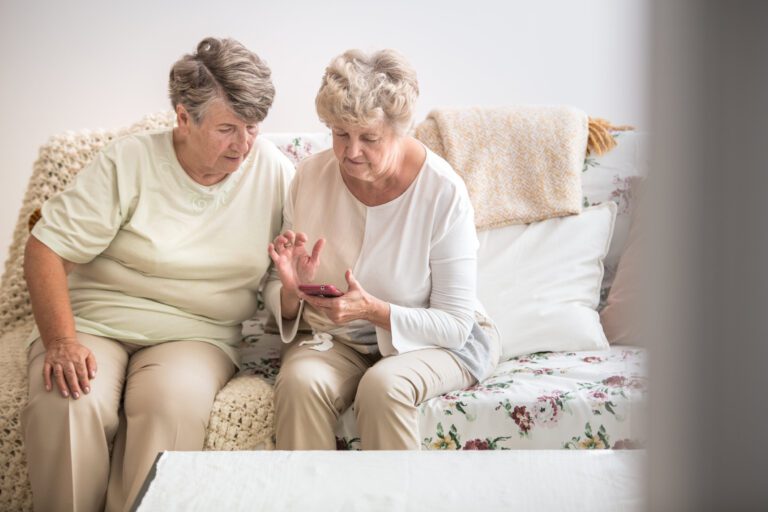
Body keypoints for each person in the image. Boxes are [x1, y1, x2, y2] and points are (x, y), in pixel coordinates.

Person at [21, 37, 293, 512]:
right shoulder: (129, 162)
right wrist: (63, 342)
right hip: (96, 321)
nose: (244, 145)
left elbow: (278, 278)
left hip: (196, 334)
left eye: (253, 128)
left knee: (171, 406)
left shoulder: (274, 173)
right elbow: (46, 248)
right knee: (66, 404)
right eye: (228, 128)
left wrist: (291, 289)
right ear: (183, 118)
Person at [265, 49, 500, 450]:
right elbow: (277, 288)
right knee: (301, 384)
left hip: (438, 344)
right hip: (337, 339)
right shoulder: (309, 176)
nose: (351, 151)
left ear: (400, 130)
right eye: (340, 134)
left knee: (382, 387)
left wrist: (374, 310)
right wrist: (291, 289)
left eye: (369, 137)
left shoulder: (442, 192)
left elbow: (456, 325)